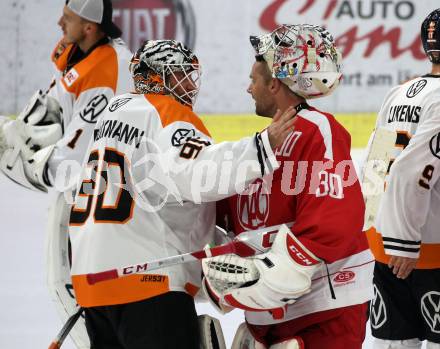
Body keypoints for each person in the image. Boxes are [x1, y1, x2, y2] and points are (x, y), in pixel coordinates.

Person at [68, 38, 297, 349]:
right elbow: (196, 175)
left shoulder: (110, 116)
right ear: (155, 77)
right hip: (147, 284)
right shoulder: (165, 112)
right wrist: (259, 148)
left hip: (93, 283)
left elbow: (150, 200)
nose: (190, 83)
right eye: (180, 74)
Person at [201, 24, 374, 349]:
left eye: (254, 80)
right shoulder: (258, 148)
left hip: (325, 310)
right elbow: (232, 216)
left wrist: (272, 273)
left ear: (276, 83)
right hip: (271, 317)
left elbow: (333, 221)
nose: (248, 89)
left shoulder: (319, 131)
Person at [0, 0, 133, 347]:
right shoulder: (80, 54)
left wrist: (39, 166)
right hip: (86, 188)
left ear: (89, 27)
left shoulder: (106, 69)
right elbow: (57, 108)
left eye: (69, 18)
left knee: (75, 287)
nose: (60, 22)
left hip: (101, 193)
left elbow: (77, 150)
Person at [365, 8, 440, 349]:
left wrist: (378, 235)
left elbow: (375, 164)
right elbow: (412, 172)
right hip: (425, 248)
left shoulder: (400, 92)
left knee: (395, 344)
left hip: (386, 241)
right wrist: (404, 244)